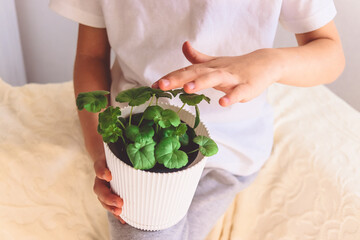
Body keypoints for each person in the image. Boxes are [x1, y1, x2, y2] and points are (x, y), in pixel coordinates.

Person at [50, 0, 345, 239]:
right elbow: (91, 55)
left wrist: (271, 62)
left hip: (232, 148)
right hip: (133, 136)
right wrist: (99, 148)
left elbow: (329, 52)